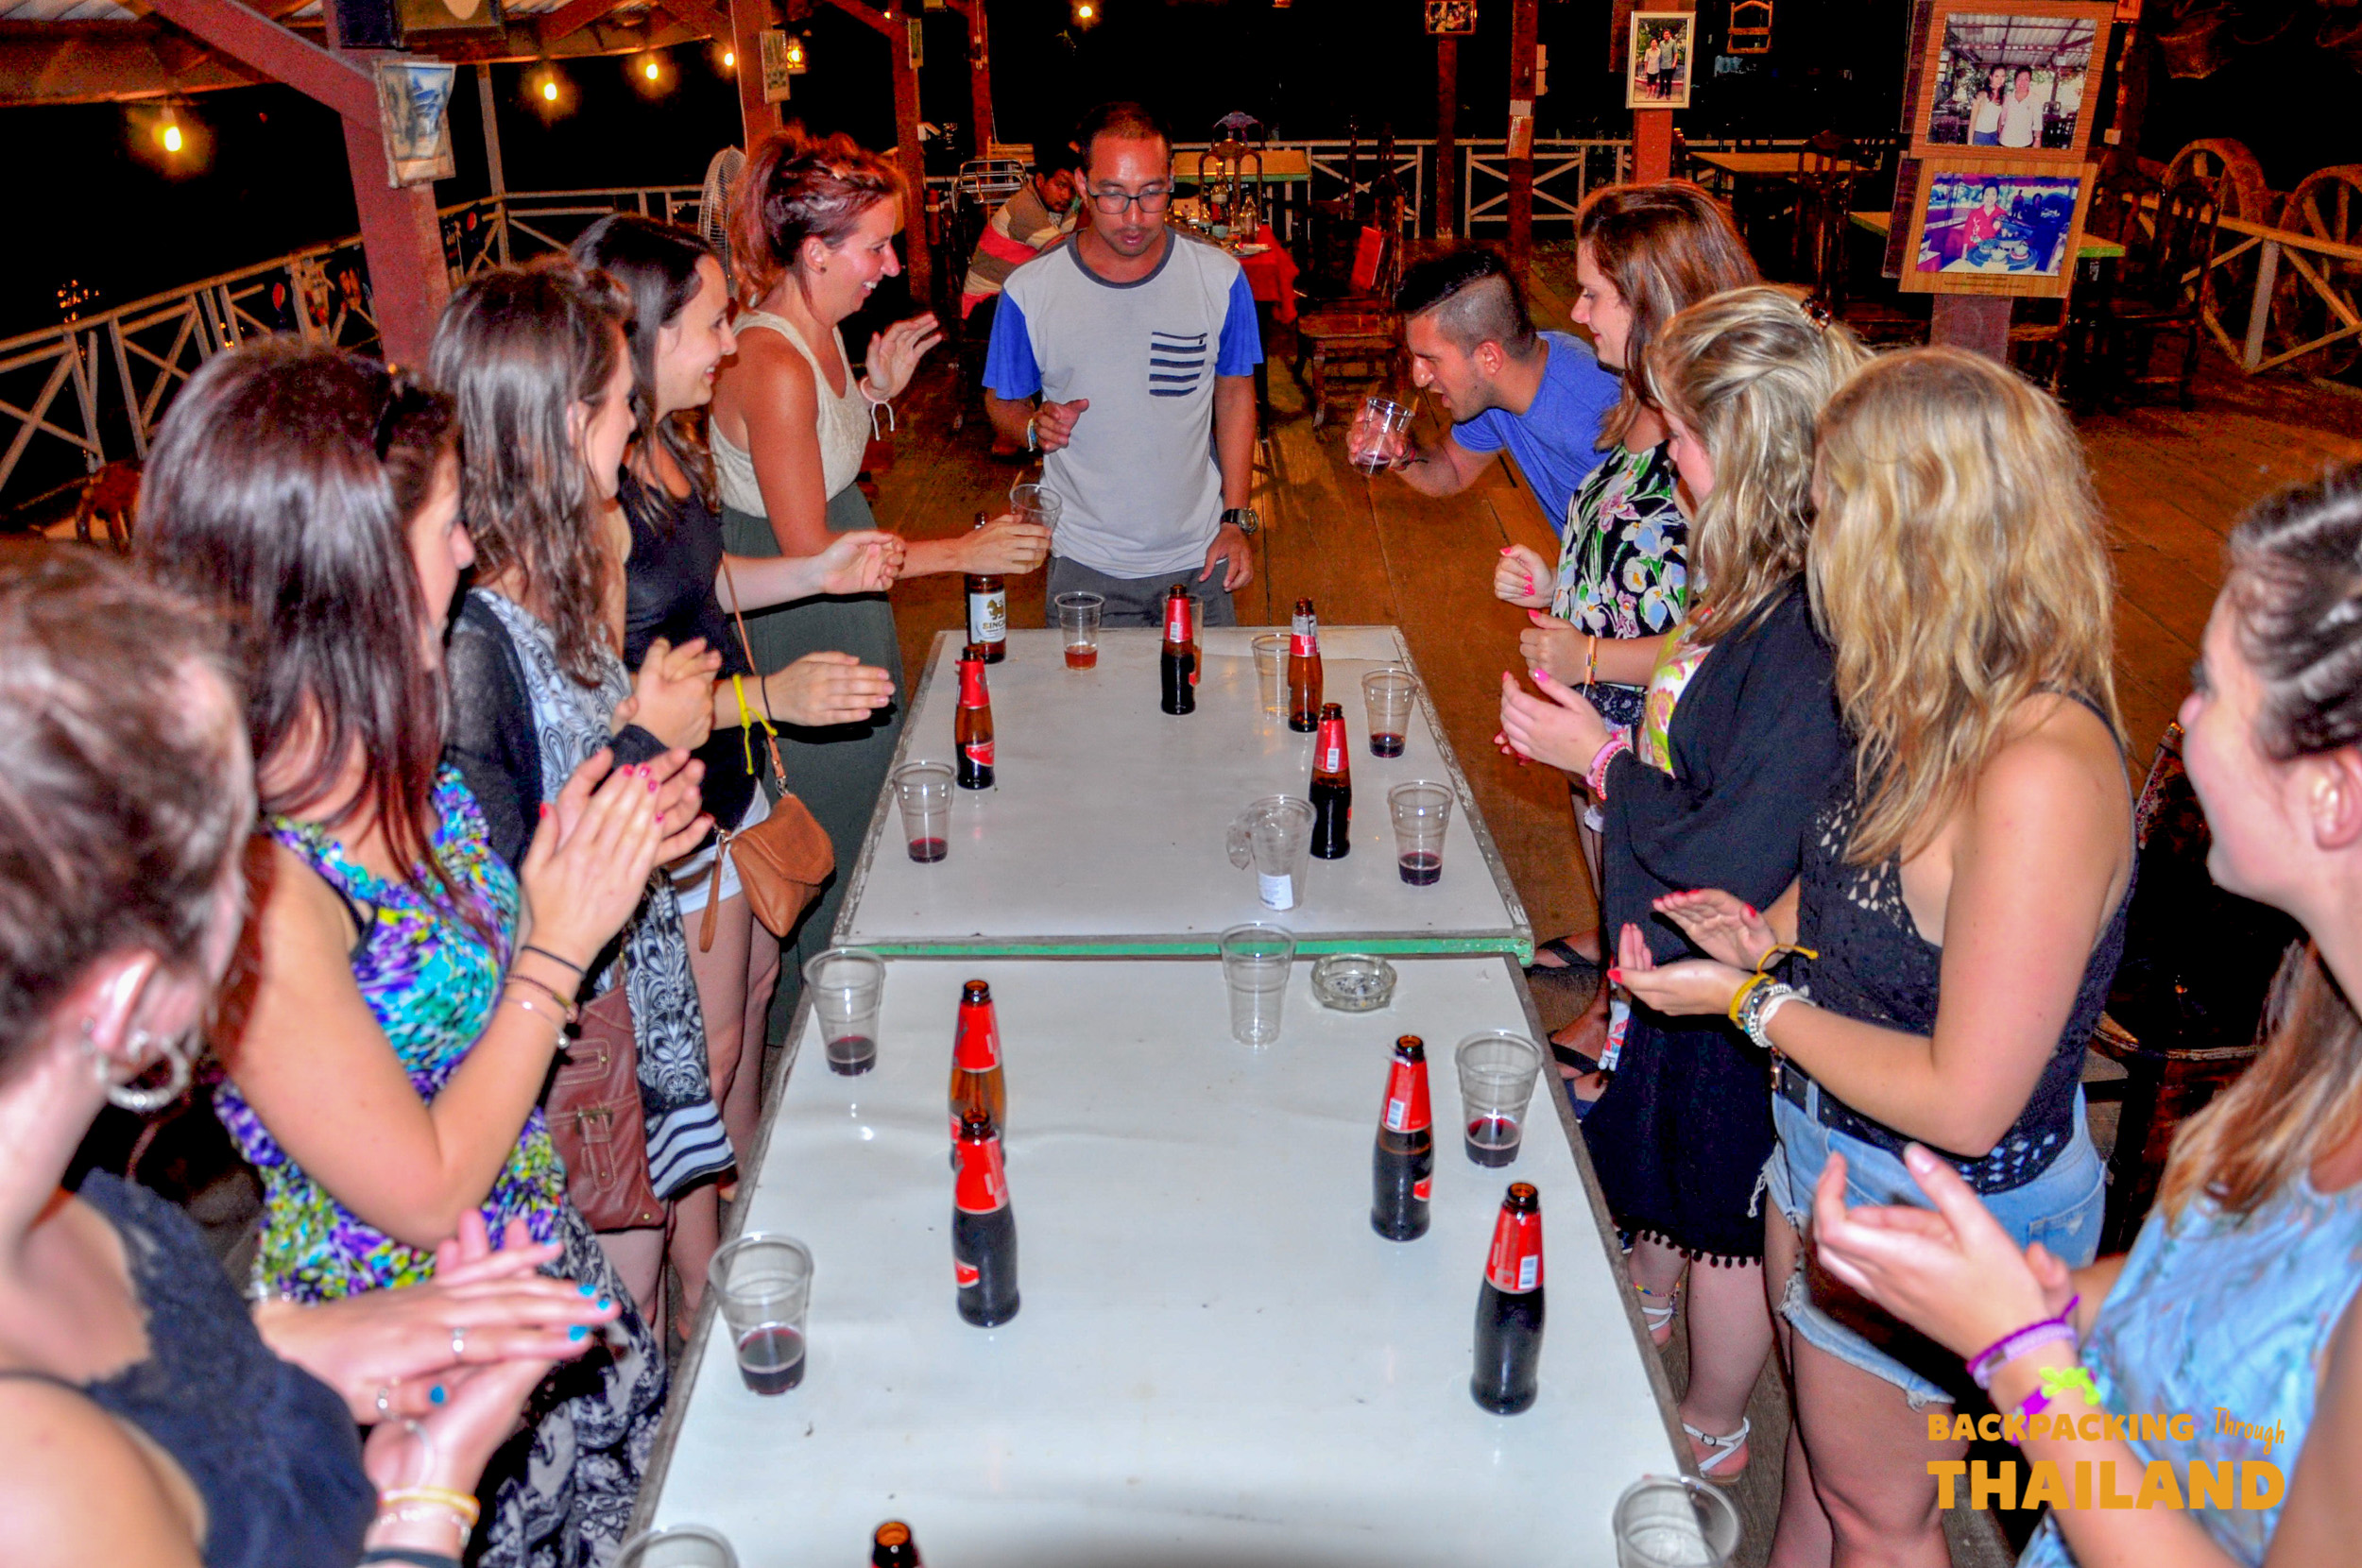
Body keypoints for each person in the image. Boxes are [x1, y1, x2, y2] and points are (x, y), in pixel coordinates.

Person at [137, 340, 691, 1567]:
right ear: (352, 574)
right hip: (405, 1364)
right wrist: (557, 948)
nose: (470, 550)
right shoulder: (267, 880)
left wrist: (603, 852)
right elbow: (426, 1183)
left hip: (533, 1269)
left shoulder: (408, 775)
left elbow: (484, 1010)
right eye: (446, 525)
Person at [0, 544, 624, 1568]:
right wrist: (422, 1509)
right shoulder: (37, 1479)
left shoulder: (89, 1213)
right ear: (128, 994)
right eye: (231, 845)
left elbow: (157, 1391)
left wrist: (287, 1359)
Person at [1617, 348, 2131, 1558]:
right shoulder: (1920, 688)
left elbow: (1967, 1098)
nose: (1811, 522)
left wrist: (1748, 1000)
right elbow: (1879, 886)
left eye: (1833, 495)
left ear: (1916, 523)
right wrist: (1775, 932)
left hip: (1945, 1202)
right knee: (1824, 1474)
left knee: (1885, 1520)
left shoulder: (2040, 767)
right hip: (1828, 1151)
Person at [1806, 467, 2362, 1568]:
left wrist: (2015, 1350)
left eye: (2209, 687)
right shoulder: (2320, 1016)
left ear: (2332, 793)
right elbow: (2237, 1293)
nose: (2181, 719)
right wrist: (2069, 1292)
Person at [1498, 287, 1866, 1478]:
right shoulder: (1743, 572)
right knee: (1652, 1144)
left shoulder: (1802, 620)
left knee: (1718, 1212)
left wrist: (1596, 759)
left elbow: (1743, 842)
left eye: (1687, 433)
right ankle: (1650, 1319)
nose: (1667, 451)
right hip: (1684, 948)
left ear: (1751, 451)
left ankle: (1709, 1423)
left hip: (1743, 966)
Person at [571, 215, 902, 1313]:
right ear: (642, 331)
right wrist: (770, 695)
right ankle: (676, 1302)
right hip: (670, 819)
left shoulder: (662, 446)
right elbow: (599, 706)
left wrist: (820, 572)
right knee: (695, 1076)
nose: (728, 344)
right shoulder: (590, 497)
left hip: (730, 789)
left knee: (753, 1007)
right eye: (713, 322)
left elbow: (709, 594)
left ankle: (754, 1233)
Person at [431, 260, 747, 1328]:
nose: (633, 421)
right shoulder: (472, 640)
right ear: (567, 424)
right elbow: (499, 907)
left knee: (652, 1285)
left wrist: (653, 787)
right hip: (563, 1044)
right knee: (612, 1313)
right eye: (617, 403)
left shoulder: (558, 570)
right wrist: (643, 738)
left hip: (626, 996)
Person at [711, 128, 1049, 1031]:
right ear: (815, 251)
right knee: (822, 841)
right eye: (875, 246)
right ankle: (799, 1039)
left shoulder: (820, 336)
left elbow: (823, 474)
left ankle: (849, 1012)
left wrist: (870, 390)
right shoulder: (772, 361)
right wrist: (964, 551)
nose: (892, 264)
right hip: (803, 618)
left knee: (862, 821)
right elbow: (814, 553)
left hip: (847, 598)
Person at [1484, 184, 1758, 1057]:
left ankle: (1622, 1044)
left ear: (1654, 302)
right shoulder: (1634, 402)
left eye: (1595, 294)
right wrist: (1562, 578)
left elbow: (1729, 637)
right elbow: (1634, 557)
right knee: (1610, 863)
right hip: (1605, 718)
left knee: (1652, 902)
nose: (1575, 313)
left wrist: (1594, 654)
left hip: (1661, 733)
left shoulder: (1718, 436)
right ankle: (1613, 995)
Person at [983, 100, 1261, 626]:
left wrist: (1236, 519)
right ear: (1082, 184)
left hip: (1200, 557)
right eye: (1113, 195)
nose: (1134, 217)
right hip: (1084, 564)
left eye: (1152, 193)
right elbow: (1002, 401)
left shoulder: (1220, 278)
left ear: (1171, 182)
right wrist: (1031, 428)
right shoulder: (1029, 291)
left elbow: (1235, 394)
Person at [1354, 245, 1619, 542]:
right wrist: (1400, 453)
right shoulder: (1502, 385)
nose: (1420, 377)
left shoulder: (1598, 419)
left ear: (1489, 358)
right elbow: (1451, 469)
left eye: (1430, 359)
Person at [963, 152, 1082, 454]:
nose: (1066, 196)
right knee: (1051, 326)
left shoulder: (1062, 208)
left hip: (1015, 297)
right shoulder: (1023, 208)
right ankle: (1014, 423)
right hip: (984, 305)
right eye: (1060, 185)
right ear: (1039, 181)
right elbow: (1064, 255)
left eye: (1073, 189)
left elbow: (1075, 254)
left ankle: (1052, 411)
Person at [2000, 65, 2043, 149]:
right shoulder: (2008, 98)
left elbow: (2038, 122)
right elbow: (2002, 119)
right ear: (2015, 81)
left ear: (2030, 81)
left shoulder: (2035, 98)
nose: (2022, 83)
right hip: (2005, 141)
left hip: (2025, 142)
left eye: (2026, 79)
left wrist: (2037, 139)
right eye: (2019, 79)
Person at [1968, 64, 2005, 145]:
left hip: (1993, 135)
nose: (2000, 79)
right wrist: (1969, 143)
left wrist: (1999, 133)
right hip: (1980, 136)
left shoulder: (2002, 97)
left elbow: (1999, 118)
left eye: (2002, 76)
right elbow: (1972, 121)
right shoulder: (1982, 95)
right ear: (1991, 77)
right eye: (1996, 76)